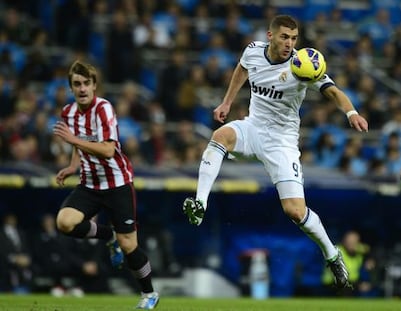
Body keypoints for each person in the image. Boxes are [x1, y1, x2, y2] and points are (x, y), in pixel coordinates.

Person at [182, 15, 369, 290]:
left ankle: (332, 254)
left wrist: (351, 112)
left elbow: (333, 91)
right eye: (284, 37)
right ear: (271, 36)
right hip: (253, 129)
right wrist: (227, 102)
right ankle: (200, 203)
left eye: (294, 39)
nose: (289, 44)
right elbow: (242, 69)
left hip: (282, 143)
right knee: (220, 136)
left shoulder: (302, 65)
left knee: (294, 211)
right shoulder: (253, 51)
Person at [53, 60, 159, 309]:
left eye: (86, 83)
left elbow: (109, 150)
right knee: (64, 222)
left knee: (129, 245)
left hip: (117, 183)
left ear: (94, 85)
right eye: (77, 84)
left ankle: (149, 293)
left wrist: (72, 139)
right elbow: (79, 144)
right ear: (71, 88)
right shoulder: (68, 113)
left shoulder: (104, 109)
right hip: (89, 183)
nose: (82, 88)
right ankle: (108, 235)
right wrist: (72, 165)